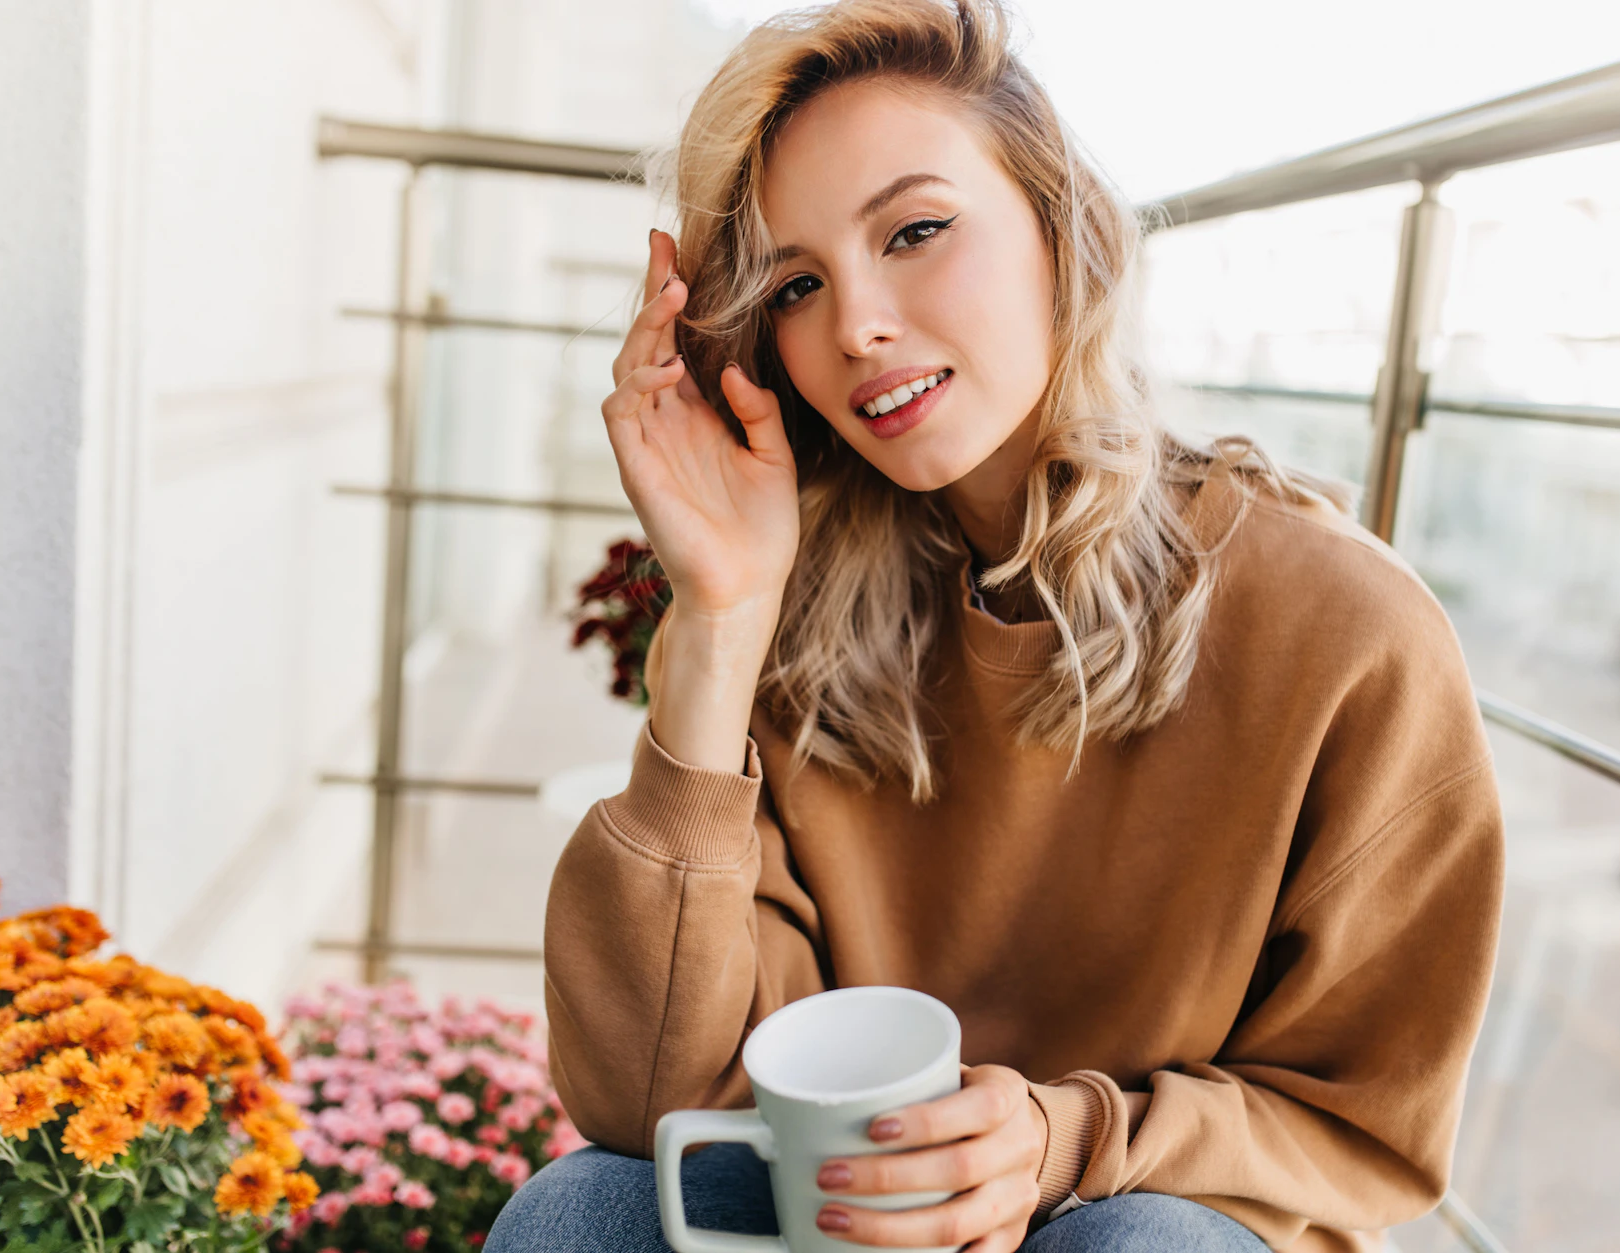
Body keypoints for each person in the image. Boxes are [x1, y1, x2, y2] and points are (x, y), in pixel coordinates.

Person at [486, 1, 1504, 1249]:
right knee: (580, 1212)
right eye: (797, 284)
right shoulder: (784, 609)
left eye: (915, 231)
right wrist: (716, 617)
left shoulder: (1345, 628)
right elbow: (648, 1100)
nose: (856, 323)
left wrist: (1066, 1140)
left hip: (1142, 1211)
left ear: (1060, 228)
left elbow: (1364, 1126)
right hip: (854, 1217)